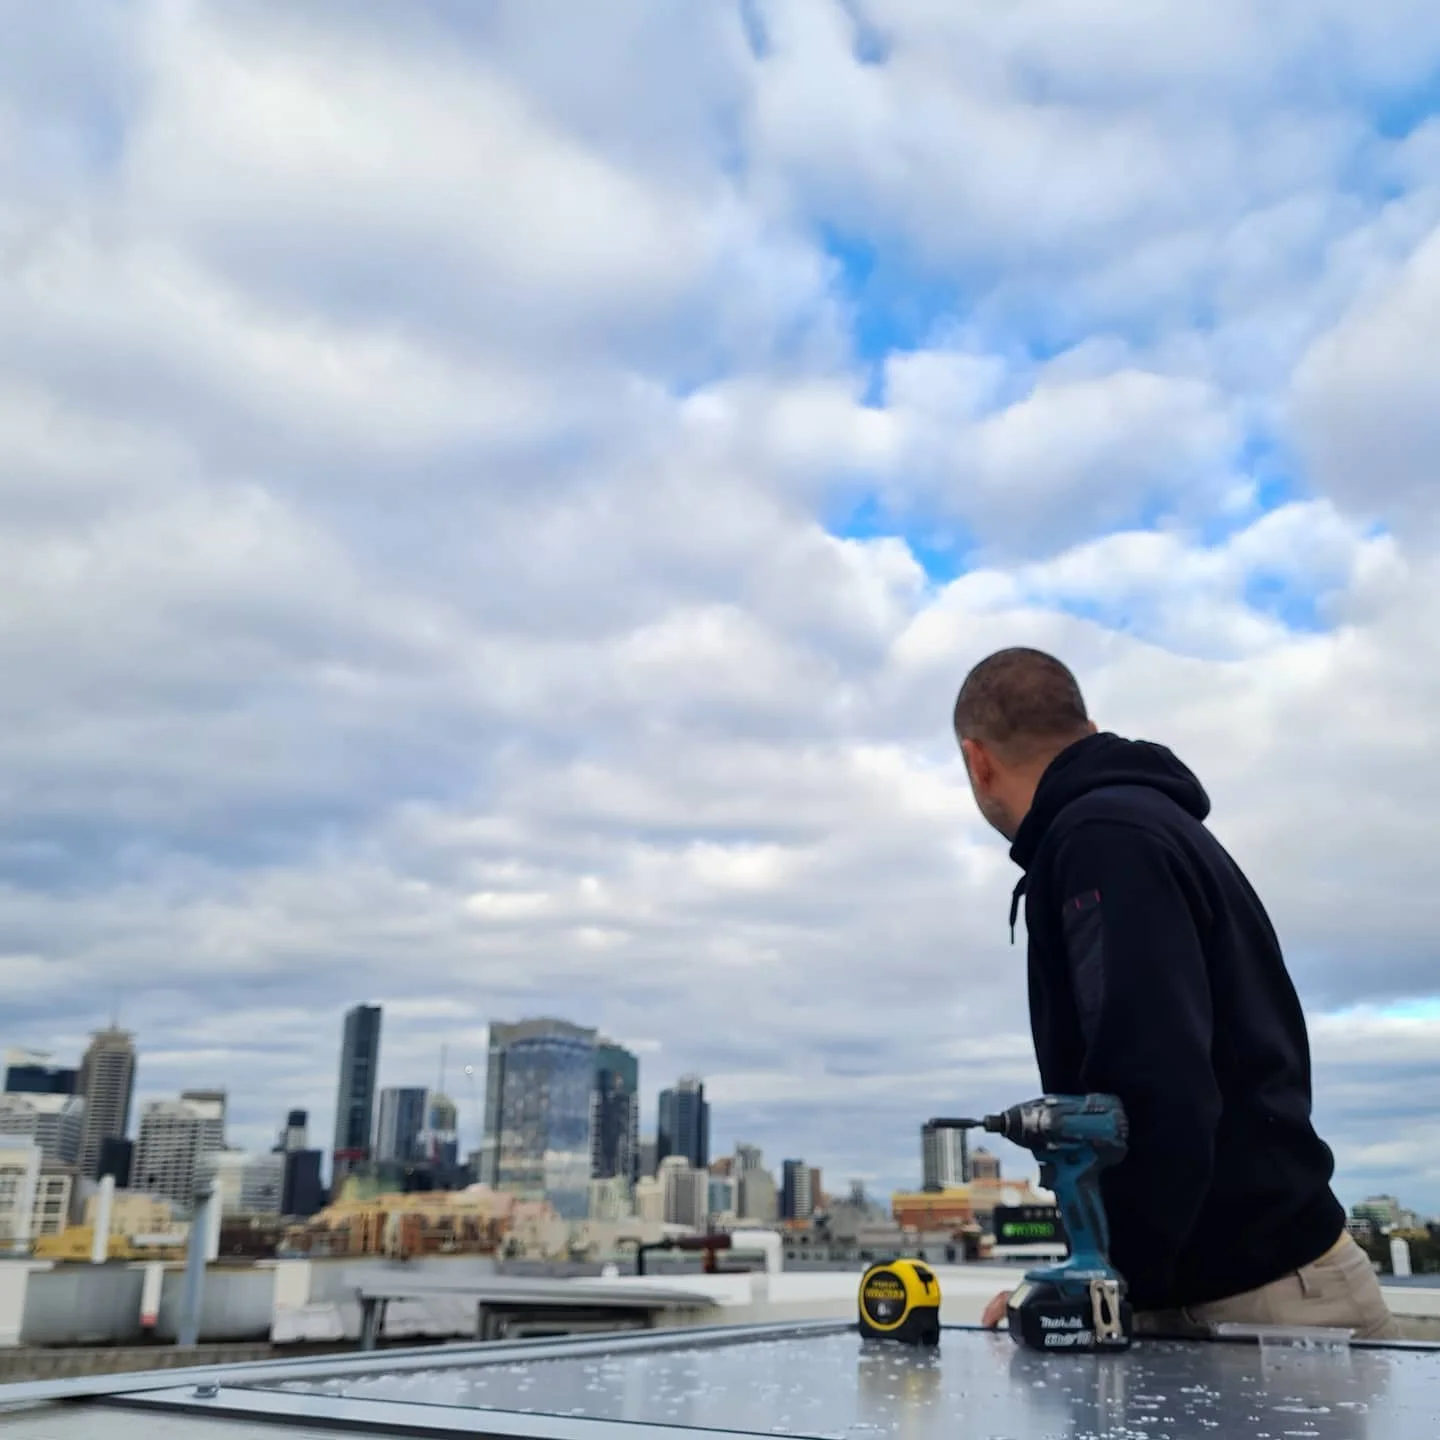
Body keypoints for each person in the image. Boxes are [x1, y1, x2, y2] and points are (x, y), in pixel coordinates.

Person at [952, 646, 1398, 1340]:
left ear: (977, 761)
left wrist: (1099, 1286)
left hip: (1252, 1305)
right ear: (1088, 726)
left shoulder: (1100, 842)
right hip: (1257, 1287)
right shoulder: (1144, 825)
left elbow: (1156, 1088)